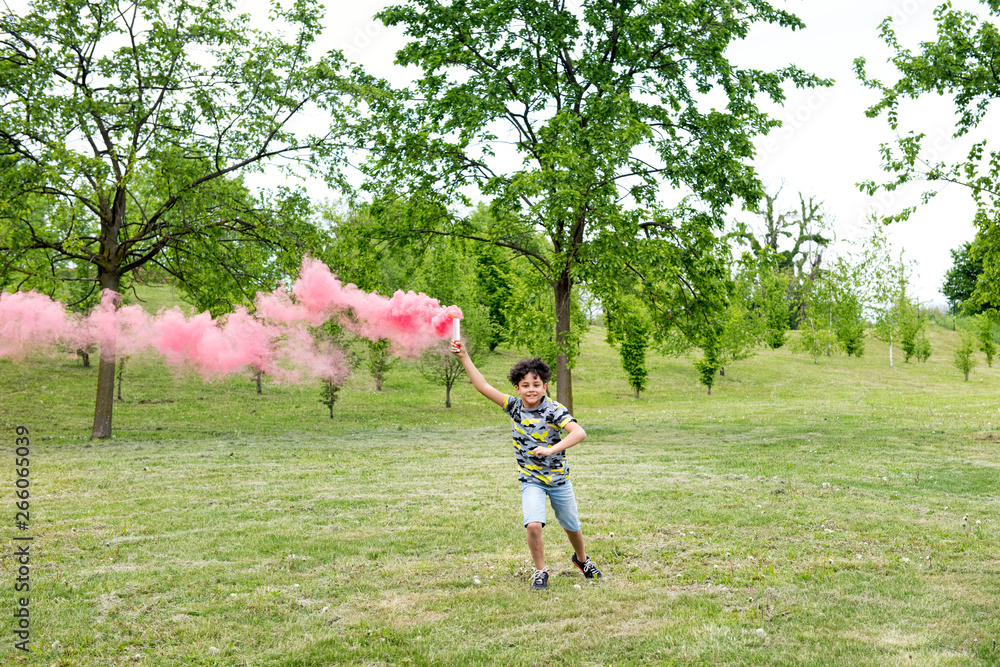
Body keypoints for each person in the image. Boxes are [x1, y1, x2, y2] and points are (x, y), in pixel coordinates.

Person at [451, 341, 602, 590]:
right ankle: (541, 571)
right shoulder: (513, 406)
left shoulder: (554, 410)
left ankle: (582, 560)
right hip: (531, 480)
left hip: (558, 480)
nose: (531, 390)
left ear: (544, 387)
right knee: (533, 525)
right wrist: (465, 355)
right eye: (525, 386)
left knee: (572, 527)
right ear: (517, 389)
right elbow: (483, 386)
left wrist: (551, 449)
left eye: (536, 385)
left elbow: (579, 433)